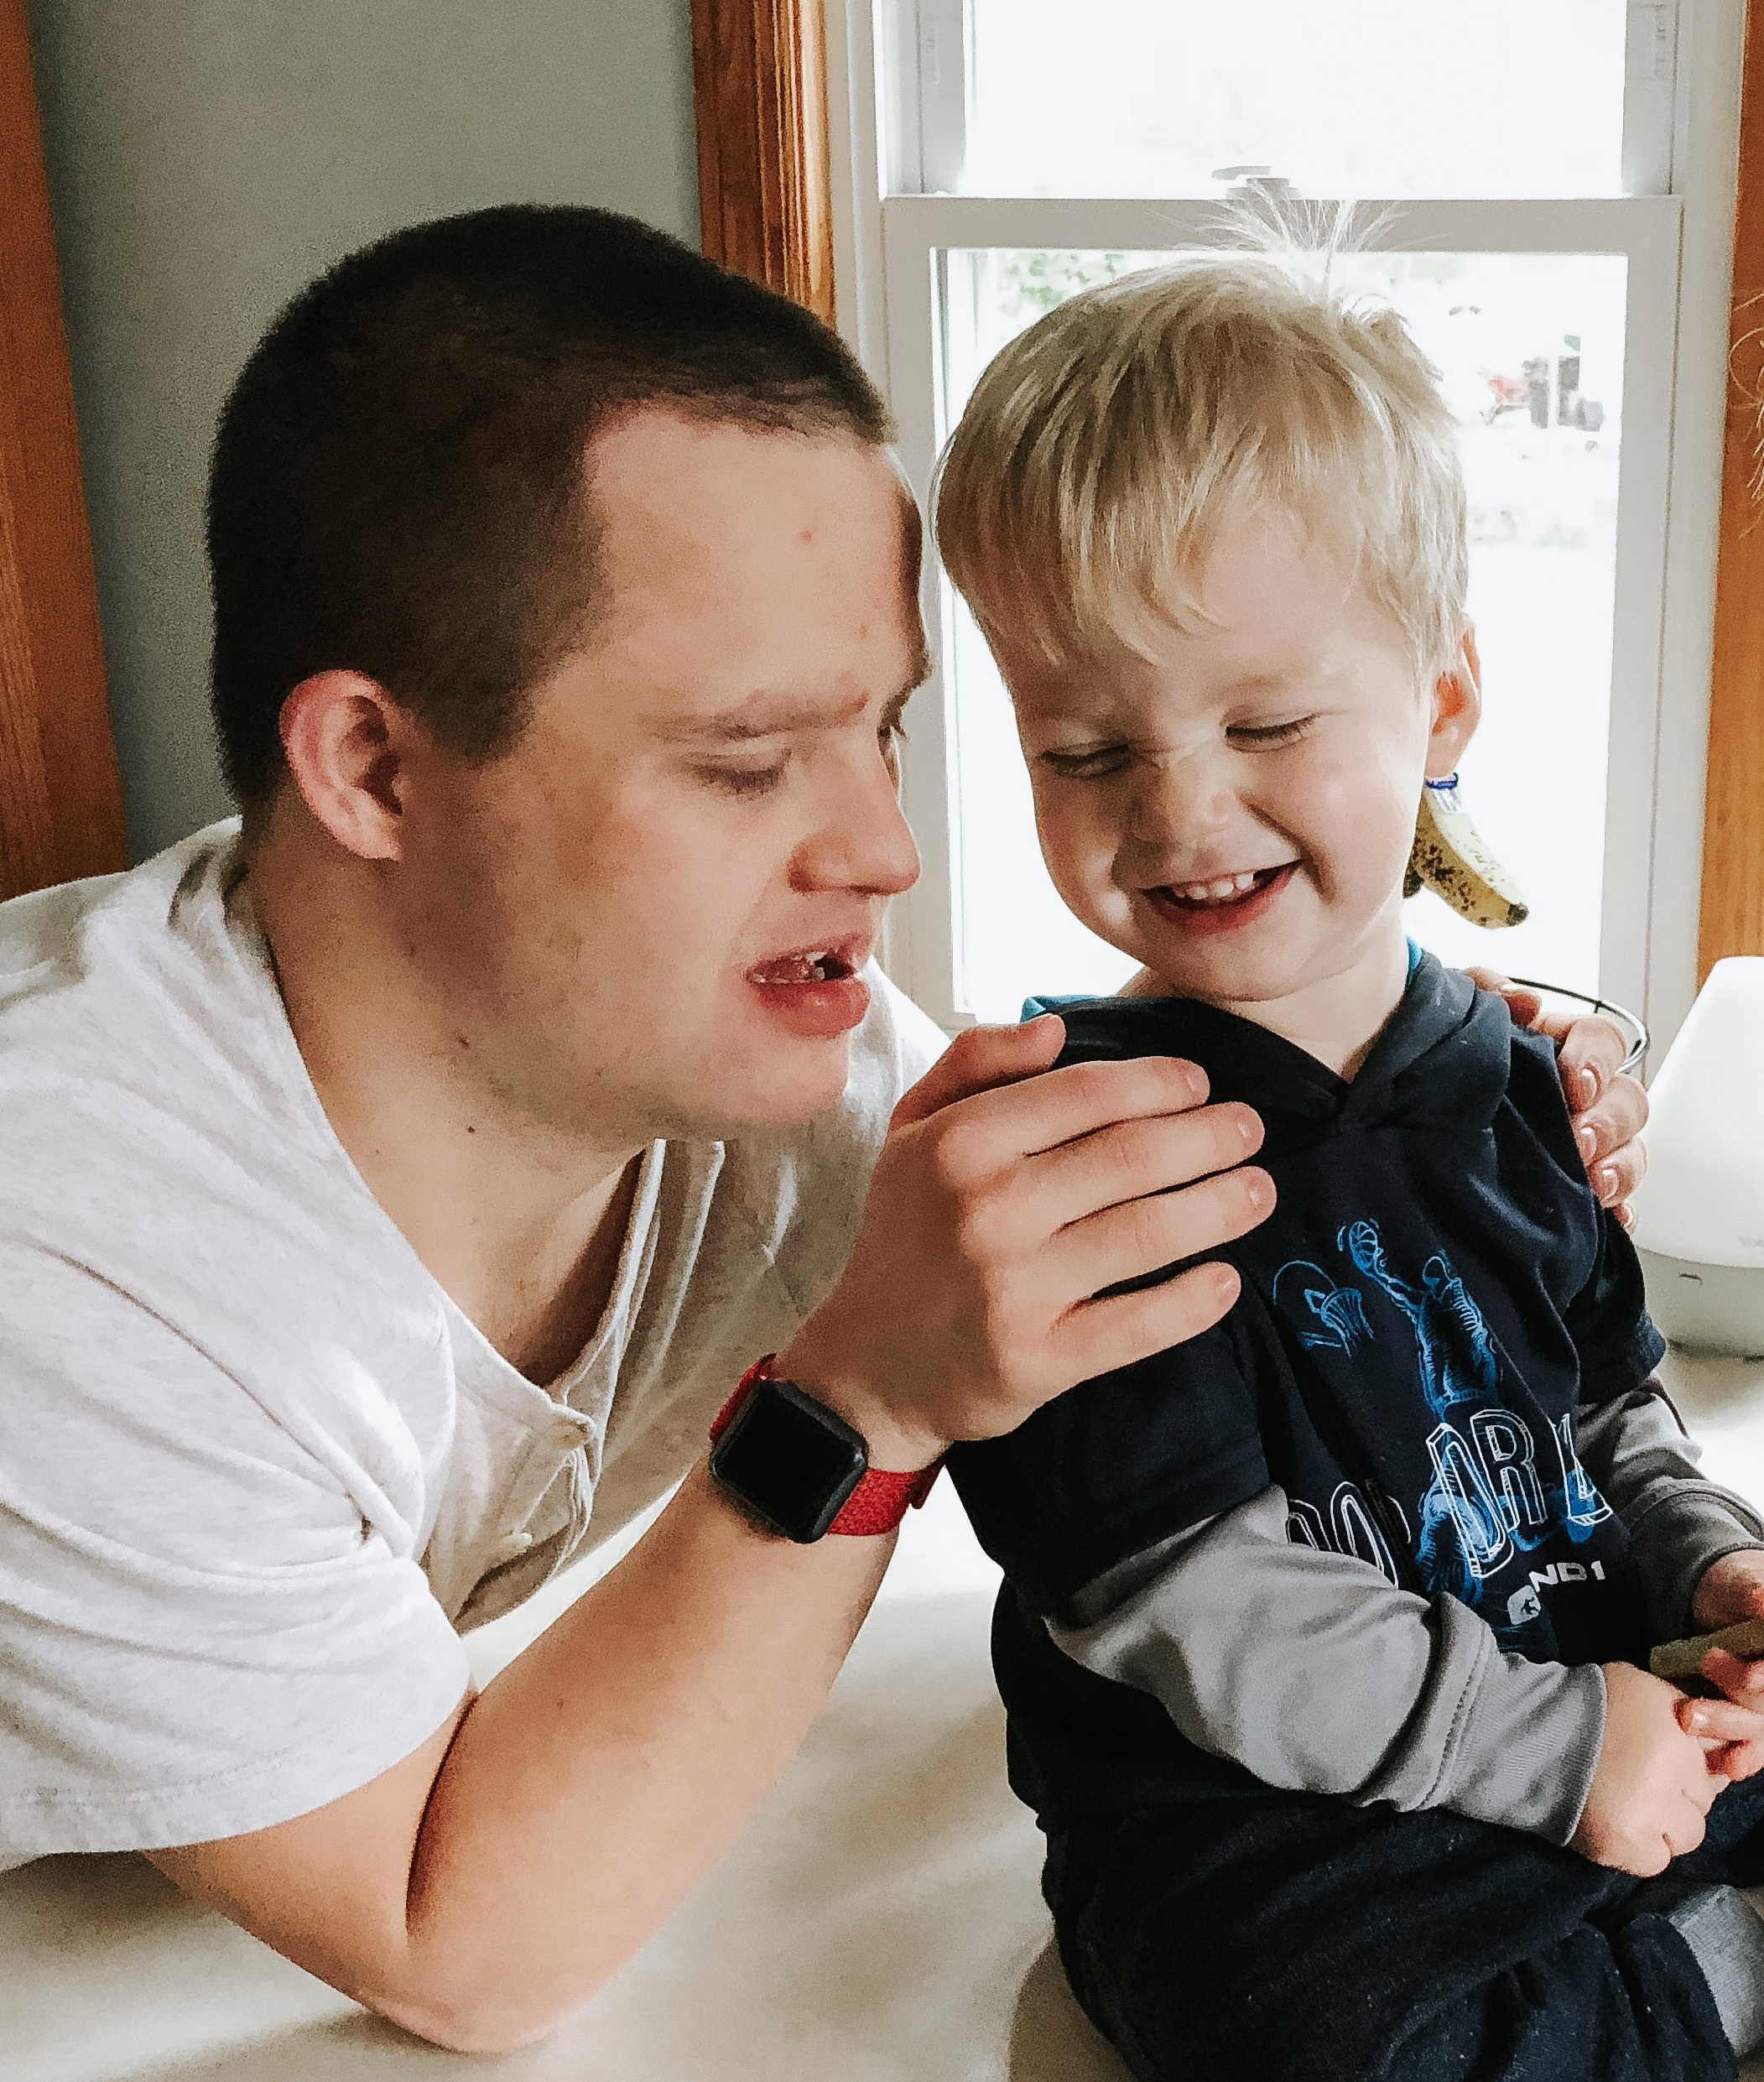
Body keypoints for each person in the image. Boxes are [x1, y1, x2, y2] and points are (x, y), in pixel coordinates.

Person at [0, 206, 1644, 2055]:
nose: (884, 849)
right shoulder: (60, 1233)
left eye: (883, 730)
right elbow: (463, 1947)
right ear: (376, 770)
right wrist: (852, 1406)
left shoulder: (781, 1073)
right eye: (744, 757)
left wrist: (1446, 1091)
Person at [933, 251, 1764, 2082]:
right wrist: (1559, 1757)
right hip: (1280, 1819)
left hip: (1591, 1693)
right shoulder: (1077, 1148)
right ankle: (1698, 1983)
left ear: (1441, 701)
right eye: (1084, 748)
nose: (1174, 808)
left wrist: (1707, 1570)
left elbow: (1608, 1410)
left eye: (1262, 722)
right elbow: (1184, 1603)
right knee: (1286, 2025)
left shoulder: (1513, 1076)